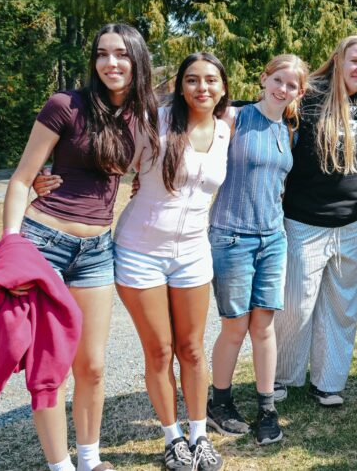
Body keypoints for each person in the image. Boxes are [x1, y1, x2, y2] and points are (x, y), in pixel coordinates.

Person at [3, 23, 158, 471]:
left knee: (91, 366)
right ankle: (60, 466)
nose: (111, 63)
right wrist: (11, 246)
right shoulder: (65, 105)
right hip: (44, 244)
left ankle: (90, 460)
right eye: (102, 54)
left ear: (137, 60)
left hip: (97, 253)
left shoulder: (143, 115)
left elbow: (147, 165)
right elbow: (21, 179)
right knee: (49, 367)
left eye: (121, 54)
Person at [110, 53, 228, 471]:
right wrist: (43, 175)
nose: (202, 87)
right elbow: (109, 160)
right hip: (140, 252)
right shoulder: (155, 122)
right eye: (192, 80)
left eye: (211, 80)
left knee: (191, 348)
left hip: (193, 254)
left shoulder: (226, 129)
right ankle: (172, 436)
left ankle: (199, 435)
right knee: (159, 351)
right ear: (180, 86)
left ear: (223, 87)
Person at [272, 35, 357, 407]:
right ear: (338, 60)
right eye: (355, 61)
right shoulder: (306, 97)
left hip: (350, 222)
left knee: (341, 306)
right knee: (296, 305)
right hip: (304, 221)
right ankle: (282, 376)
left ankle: (328, 382)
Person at [205, 54, 308, 446]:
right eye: (278, 80)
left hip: (272, 238)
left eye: (292, 85)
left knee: (264, 327)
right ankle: (220, 403)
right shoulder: (234, 117)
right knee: (235, 327)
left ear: (299, 92)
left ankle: (267, 409)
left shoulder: (289, 131)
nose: (283, 89)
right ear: (264, 79)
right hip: (231, 237)